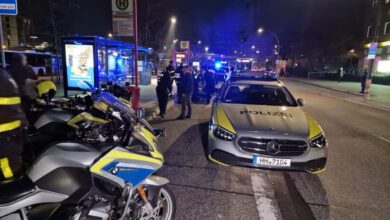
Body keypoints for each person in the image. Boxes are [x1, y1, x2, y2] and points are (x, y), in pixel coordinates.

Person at [0, 68, 26, 181]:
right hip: (12, 132)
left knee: (6, 169)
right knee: (11, 165)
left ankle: (10, 190)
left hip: (4, 135)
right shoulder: (4, 74)